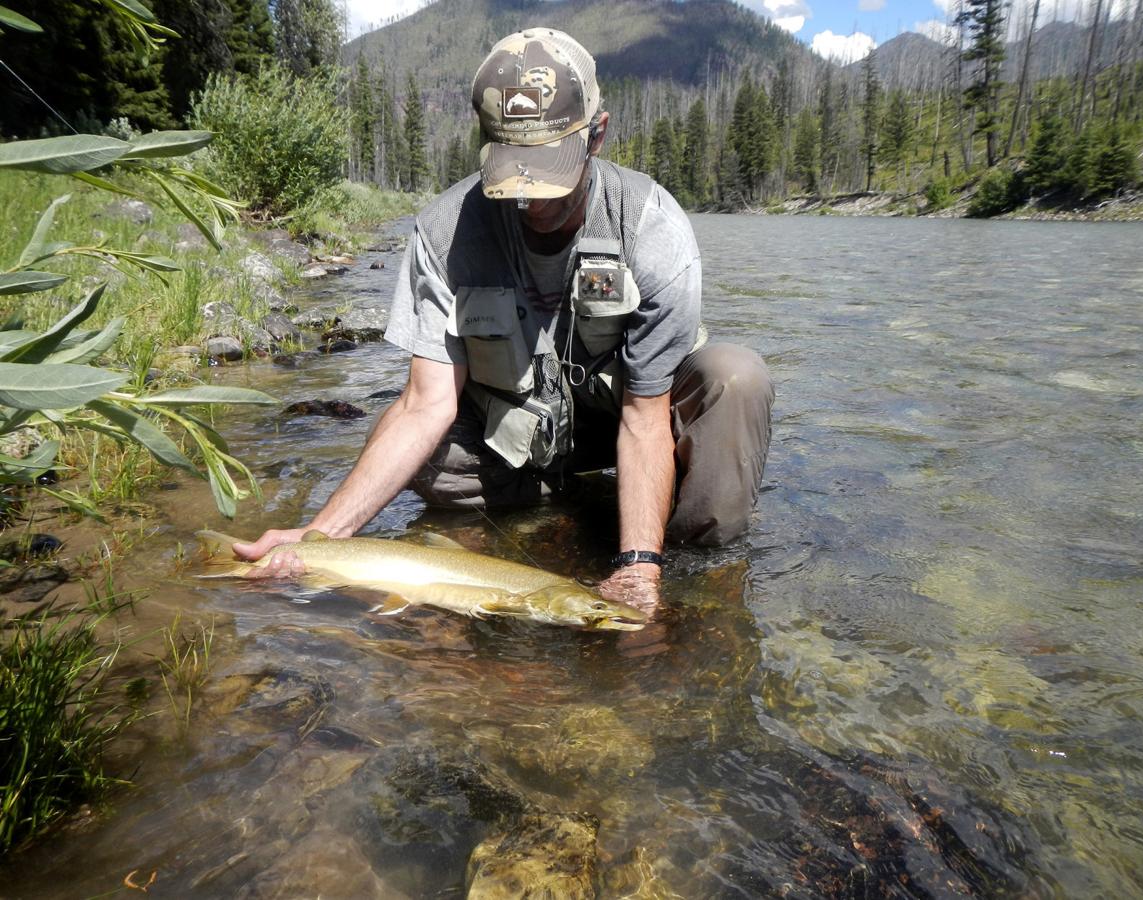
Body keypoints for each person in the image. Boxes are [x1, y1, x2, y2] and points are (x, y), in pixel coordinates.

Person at [234, 28, 774, 614]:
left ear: (597, 134)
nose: (531, 200)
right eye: (514, 170)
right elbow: (424, 405)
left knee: (735, 378)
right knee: (423, 460)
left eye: (549, 171)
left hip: (627, 426)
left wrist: (638, 567)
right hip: (518, 438)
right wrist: (319, 540)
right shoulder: (445, 234)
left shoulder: (650, 227)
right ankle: (556, 502)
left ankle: (700, 572)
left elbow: (646, 419)